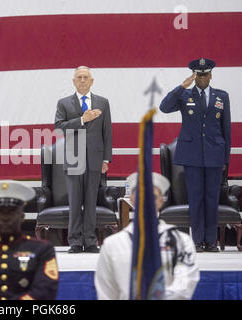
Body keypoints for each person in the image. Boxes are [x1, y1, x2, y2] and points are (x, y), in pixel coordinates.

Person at [159, 58, 231, 252]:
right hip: (192, 155)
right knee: (196, 198)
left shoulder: (221, 96)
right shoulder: (184, 95)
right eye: (198, 75)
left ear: (210, 75)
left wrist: (226, 159)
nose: (202, 78)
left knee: (211, 198)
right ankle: (198, 241)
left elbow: (226, 129)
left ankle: (211, 241)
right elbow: (164, 107)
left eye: (205, 74)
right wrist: (182, 86)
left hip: (215, 154)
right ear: (194, 75)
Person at [94, 172, 200, 300]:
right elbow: (106, 293)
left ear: (161, 201)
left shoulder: (181, 241)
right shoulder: (113, 245)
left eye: (152, 197)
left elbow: (185, 286)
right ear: (131, 200)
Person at [54, 66, 112, 253]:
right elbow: (58, 127)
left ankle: (90, 241)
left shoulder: (103, 103)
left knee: (90, 202)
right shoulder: (64, 103)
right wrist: (82, 119)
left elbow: (107, 132)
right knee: (75, 201)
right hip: (73, 158)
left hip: (95, 159)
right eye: (78, 77)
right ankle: (75, 242)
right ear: (73, 81)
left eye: (85, 77)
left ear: (91, 80)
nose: (82, 80)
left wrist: (106, 159)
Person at [0, 180, 59, 300]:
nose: (5, 218)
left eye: (11, 212)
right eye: (0, 213)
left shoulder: (42, 250)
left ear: (22, 217)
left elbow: (46, 291)